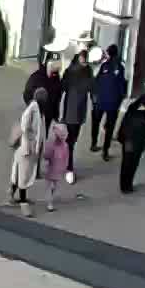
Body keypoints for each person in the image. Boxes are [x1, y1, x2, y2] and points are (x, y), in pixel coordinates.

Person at [58, 49, 94, 184]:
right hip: (71, 112)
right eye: (82, 59)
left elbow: (92, 87)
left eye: (85, 59)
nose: (84, 62)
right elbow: (63, 86)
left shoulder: (88, 71)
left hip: (79, 112)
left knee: (72, 140)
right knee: (70, 142)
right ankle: (69, 168)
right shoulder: (72, 71)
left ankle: (66, 161)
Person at [117, 85, 145, 194]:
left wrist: (121, 137)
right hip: (136, 142)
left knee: (126, 163)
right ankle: (128, 186)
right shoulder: (143, 117)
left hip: (127, 140)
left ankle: (124, 185)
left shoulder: (132, 109)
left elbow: (123, 125)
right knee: (132, 164)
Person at [90, 44, 127, 160]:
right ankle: (105, 151)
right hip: (112, 103)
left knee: (95, 122)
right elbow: (122, 86)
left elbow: (96, 81)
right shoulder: (120, 67)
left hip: (100, 101)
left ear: (108, 53)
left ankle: (93, 144)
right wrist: (121, 98)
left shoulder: (104, 65)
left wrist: (94, 97)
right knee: (110, 127)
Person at [10, 95, 45, 216]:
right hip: (26, 149)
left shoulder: (34, 108)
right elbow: (25, 126)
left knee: (18, 173)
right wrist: (31, 138)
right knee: (23, 176)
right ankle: (23, 203)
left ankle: (11, 195)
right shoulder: (33, 109)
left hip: (24, 148)